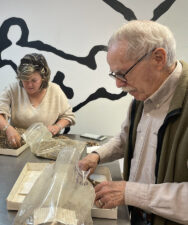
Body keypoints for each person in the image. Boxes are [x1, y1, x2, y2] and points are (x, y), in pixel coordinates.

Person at [78, 20, 188, 225]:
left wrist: (133, 193)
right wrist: (97, 155)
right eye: (114, 75)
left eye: (123, 73)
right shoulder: (141, 97)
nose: (118, 84)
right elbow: (126, 138)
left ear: (158, 58)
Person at [0, 53, 75, 148]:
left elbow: (68, 116)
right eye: (25, 80)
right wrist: (8, 128)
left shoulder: (55, 90)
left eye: (34, 80)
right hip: (18, 143)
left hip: (46, 143)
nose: (29, 85)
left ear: (43, 78)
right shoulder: (13, 89)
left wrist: (57, 127)